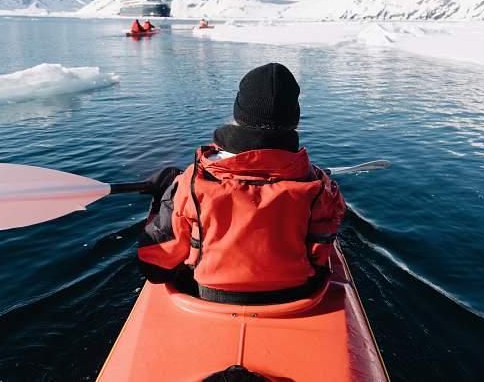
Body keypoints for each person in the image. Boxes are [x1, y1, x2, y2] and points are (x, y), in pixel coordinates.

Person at [137, 63, 346, 304]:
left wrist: (161, 198)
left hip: (212, 297)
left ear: (240, 113)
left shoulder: (193, 181)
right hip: (296, 294)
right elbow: (321, 253)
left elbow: (154, 268)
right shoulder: (318, 184)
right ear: (293, 119)